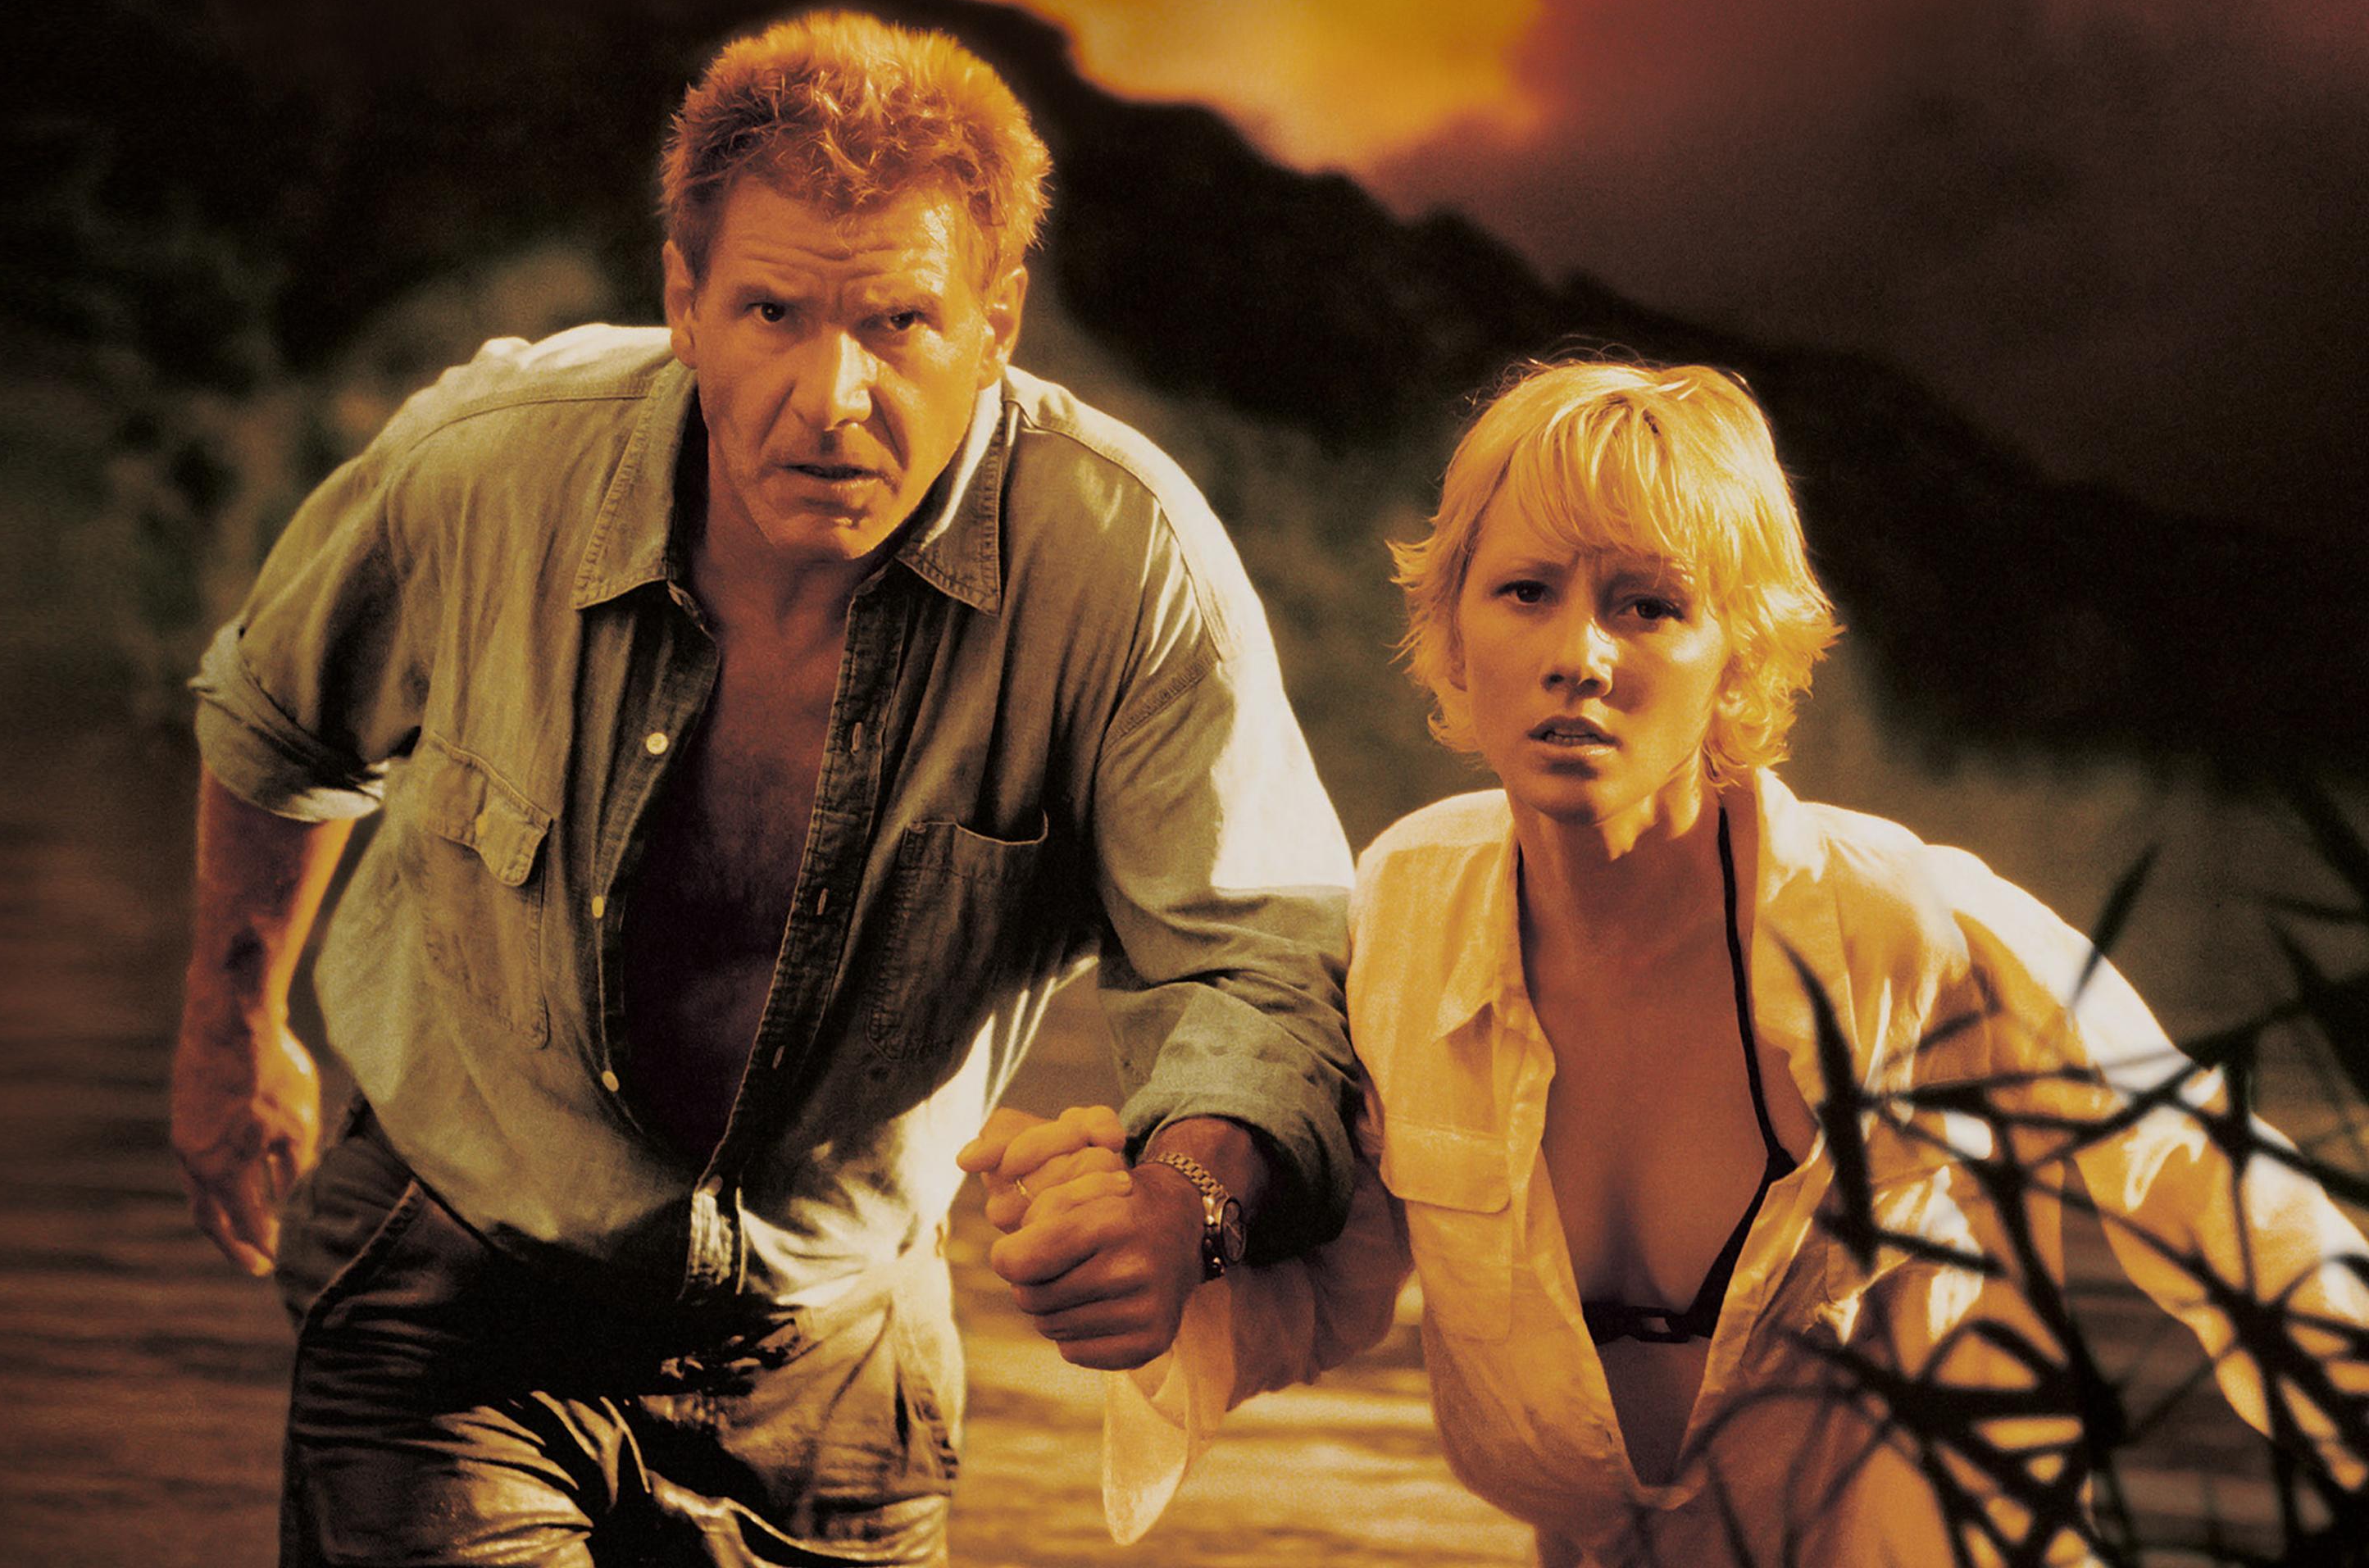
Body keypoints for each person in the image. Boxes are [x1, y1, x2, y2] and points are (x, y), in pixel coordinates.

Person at [167, 10, 1367, 1566]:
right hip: (458, 1290)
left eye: (901, 324)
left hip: (842, 1348)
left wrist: (1184, 1206)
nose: (831, 396)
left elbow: (1262, 960)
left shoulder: (1124, 566)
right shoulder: (487, 466)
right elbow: (277, 722)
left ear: (997, 322)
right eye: (773, 312)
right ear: (684, 301)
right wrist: (231, 1030)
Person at [976, 361, 2369, 1565]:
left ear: (1738, 657)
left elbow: (2202, 1178)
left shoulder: (1897, 924)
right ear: (1455, 630)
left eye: (1647, 605)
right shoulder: (1408, 910)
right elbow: (1341, 1280)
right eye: (1526, 592)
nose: (1578, 654)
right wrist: (1152, 1232)